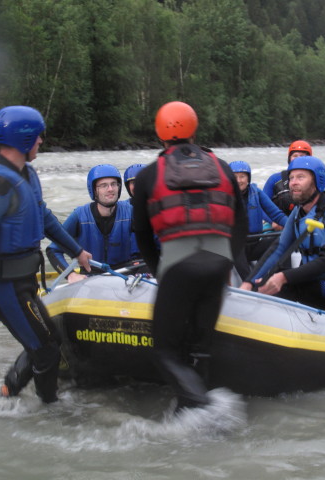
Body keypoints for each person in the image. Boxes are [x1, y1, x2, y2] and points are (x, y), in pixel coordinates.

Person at [0, 105, 92, 403]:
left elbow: (44, 218)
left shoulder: (26, 174)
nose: (41, 142)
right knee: (45, 348)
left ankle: (10, 391)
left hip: (23, 282)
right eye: (38, 137)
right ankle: (49, 408)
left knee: (49, 340)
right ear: (24, 140)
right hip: (3, 286)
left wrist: (77, 251)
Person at [132, 101, 248, 411]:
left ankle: (204, 407)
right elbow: (242, 223)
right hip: (218, 263)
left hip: (178, 267)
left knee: (164, 352)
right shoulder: (222, 167)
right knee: (201, 348)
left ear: (160, 133)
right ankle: (194, 418)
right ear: (194, 130)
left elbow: (142, 234)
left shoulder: (147, 176)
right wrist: (227, 260)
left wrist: (161, 273)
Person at [241, 156, 325, 315]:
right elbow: (279, 248)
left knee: (289, 285)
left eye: (300, 177)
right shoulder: (299, 211)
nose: (293, 182)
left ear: (317, 181)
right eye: (291, 178)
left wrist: (283, 277)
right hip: (322, 281)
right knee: (265, 282)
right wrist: (249, 282)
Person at [46, 164, 139, 282]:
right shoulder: (79, 216)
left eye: (114, 184)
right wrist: (71, 275)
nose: (110, 189)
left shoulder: (130, 211)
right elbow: (53, 250)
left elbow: (153, 240)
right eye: (104, 185)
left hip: (123, 275)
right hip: (90, 278)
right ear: (94, 190)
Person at [229, 160, 287, 279]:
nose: (239, 180)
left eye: (242, 176)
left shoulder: (256, 192)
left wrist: (295, 227)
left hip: (254, 243)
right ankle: (250, 283)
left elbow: (276, 215)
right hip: (235, 247)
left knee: (282, 240)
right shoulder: (224, 195)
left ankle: (281, 279)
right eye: (235, 177)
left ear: (248, 179)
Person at [262, 140, 313, 217]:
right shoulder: (275, 179)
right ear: (289, 158)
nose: (298, 159)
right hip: (277, 224)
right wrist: (274, 222)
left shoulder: (315, 180)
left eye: (302, 156)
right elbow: (262, 207)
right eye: (295, 156)